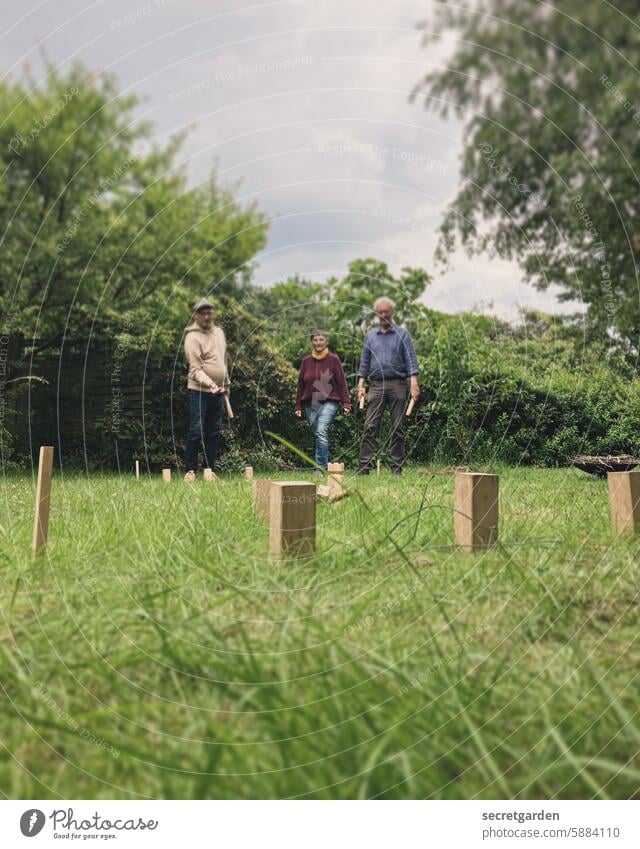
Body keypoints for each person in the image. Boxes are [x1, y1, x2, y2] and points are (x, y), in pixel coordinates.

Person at [356, 297, 420, 475]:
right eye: (380, 312)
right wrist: (361, 385)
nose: (383, 314)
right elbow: (364, 364)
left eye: (387, 311)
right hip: (376, 385)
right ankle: (363, 468)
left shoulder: (403, 334)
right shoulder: (370, 336)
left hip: (398, 385)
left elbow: (411, 361)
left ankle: (397, 469)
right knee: (370, 427)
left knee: (398, 428)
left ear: (393, 313)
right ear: (376, 314)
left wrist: (414, 383)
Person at [183, 298, 230, 481]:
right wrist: (210, 383)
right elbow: (195, 370)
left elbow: (222, 361)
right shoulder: (192, 337)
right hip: (198, 390)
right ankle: (190, 471)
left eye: (209, 312)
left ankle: (209, 471)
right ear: (196, 315)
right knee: (196, 429)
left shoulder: (219, 332)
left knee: (214, 431)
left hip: (217, 391)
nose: (206, 316)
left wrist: (225, 385)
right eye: (202, 313)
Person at [295, 330, 351, 473]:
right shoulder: (306, 361)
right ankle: (329, 465)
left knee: (321, 431)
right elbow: (300, 384)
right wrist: (298, 405)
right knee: (319, 434)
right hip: (309, 403)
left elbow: (341, 381)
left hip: (329, 401)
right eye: (315, 340)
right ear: (312, 342)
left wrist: (346, 403)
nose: (318, 342)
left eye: (321, 339)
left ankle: (319, 469)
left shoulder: (333, 359)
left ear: (326, 342)